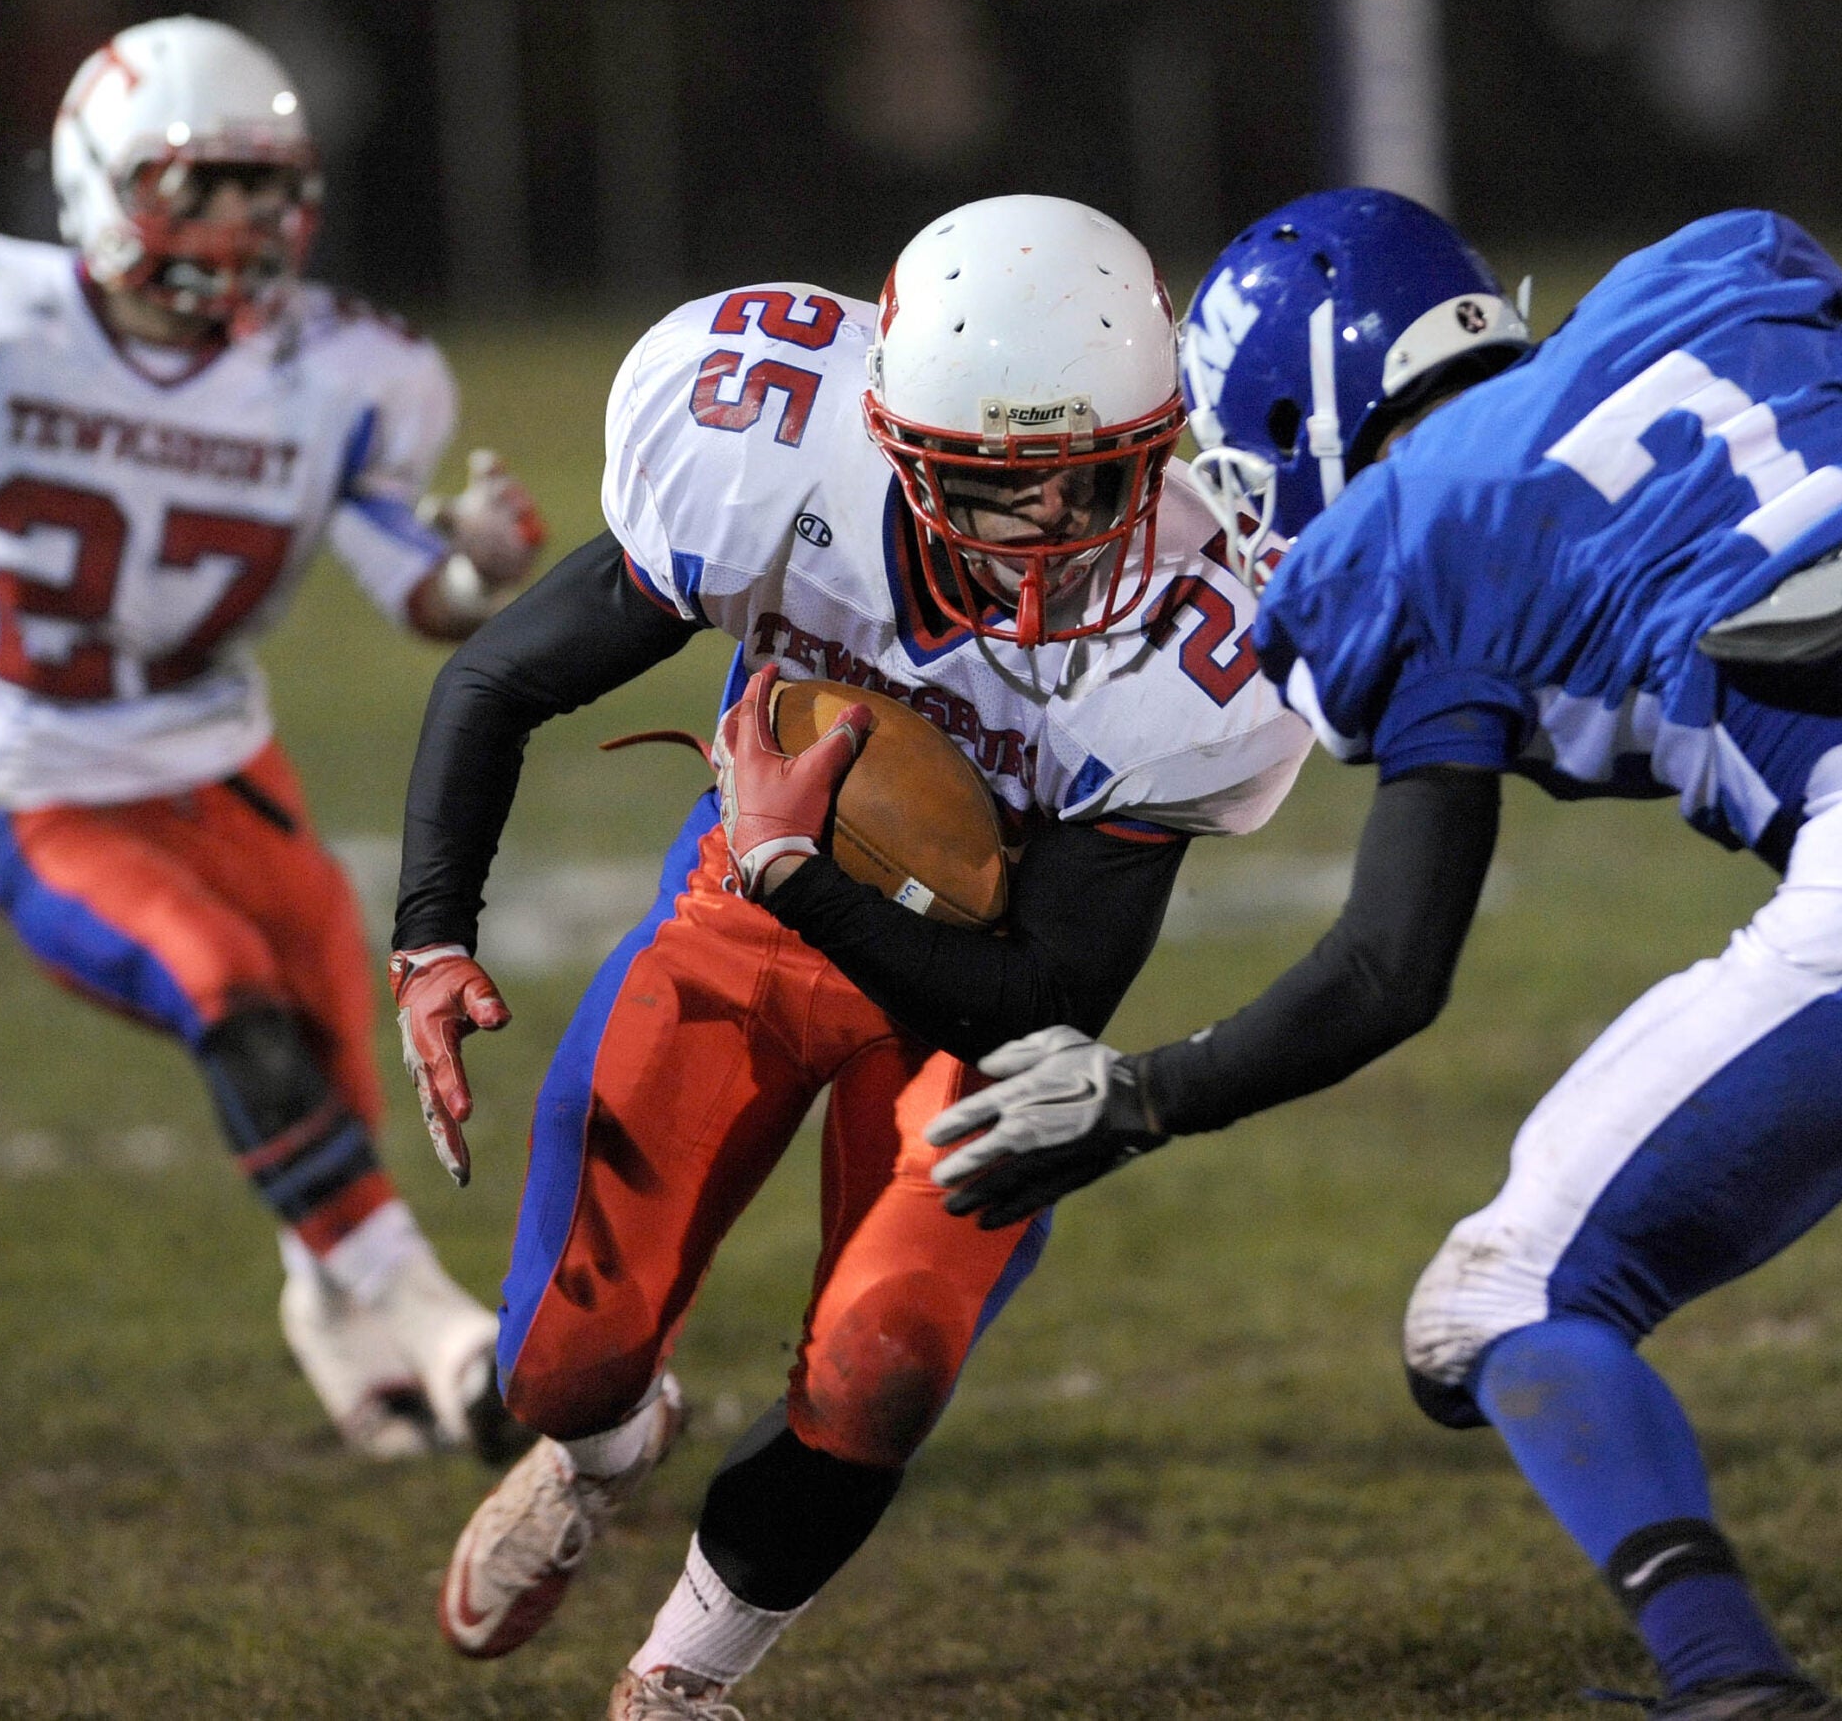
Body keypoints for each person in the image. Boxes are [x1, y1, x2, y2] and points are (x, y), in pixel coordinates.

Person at [925, 145, 1842, 1721]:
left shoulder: (1407, 533)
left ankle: (1731, 1688)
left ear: (1294, 426)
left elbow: (1388, 970)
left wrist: (1144, 1095)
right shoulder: (1706, 310)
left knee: (1495, 1301)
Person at [391, 194, 1312, 1717]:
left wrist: (797, 867)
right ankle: (605, 1452)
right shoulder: (765, 463)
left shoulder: (1205, 628)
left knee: (887, 1356)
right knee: (559, 1365)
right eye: (998, 486)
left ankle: (683, 1675)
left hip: (975, 984)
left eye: (1098, 476)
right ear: (893, 443)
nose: (1058, 527)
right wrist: (430, 942)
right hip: (746, 922)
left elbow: (1049, 1001)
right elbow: (495, 680)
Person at [0, 17, 548, 1463]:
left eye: (265, 188)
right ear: (100, 183)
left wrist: (478, 566)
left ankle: (332, 1315)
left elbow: (420, 597)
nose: (241, 227)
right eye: (203, 185)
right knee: (219, 984)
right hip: (50, 792)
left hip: (233, 775)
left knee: (329, 1049)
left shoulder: (332, 369)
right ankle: (442, 1330)